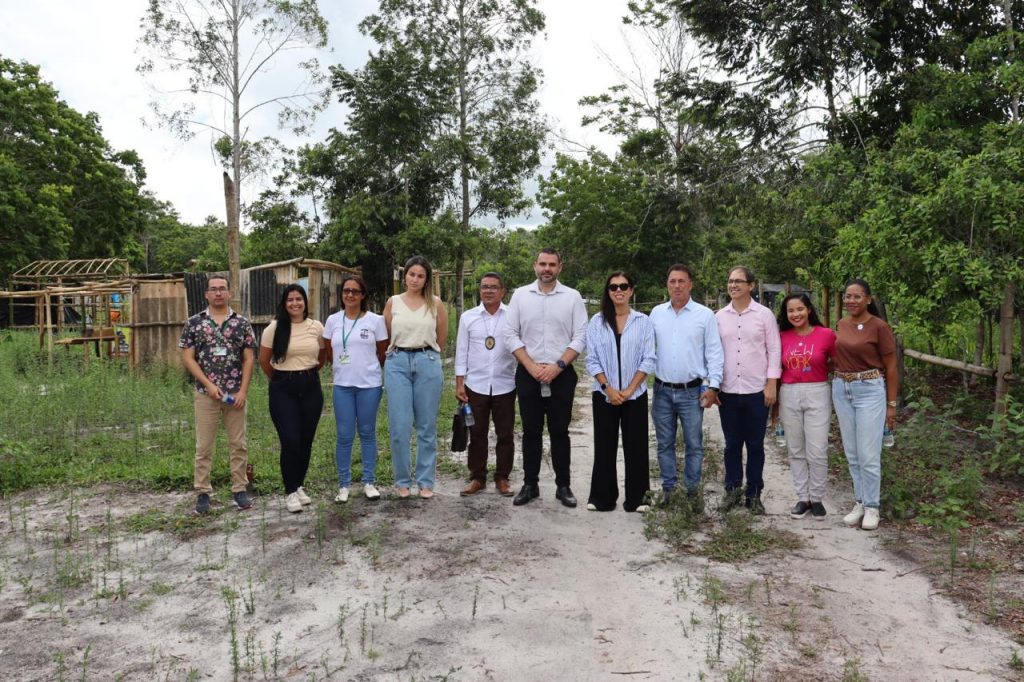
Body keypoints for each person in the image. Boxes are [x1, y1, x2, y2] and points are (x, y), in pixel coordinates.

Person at [504, 248, 588, 508]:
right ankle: (530, 484)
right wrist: (530, 366)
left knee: (560, 431)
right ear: (535, 266)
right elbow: (510, 334)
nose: (547, 269)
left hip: (561, 374)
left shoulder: (572, 297)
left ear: (560, 267)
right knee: (530, 431)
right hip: (528, 374)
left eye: (552, 264)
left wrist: (558, 366)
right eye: (542, 264)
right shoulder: (520, 296)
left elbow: (580, 336)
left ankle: (563, 486)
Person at [179, 276, 256, 514]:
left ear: (229, 293)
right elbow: (187, 358)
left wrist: (243, 390)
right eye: (214, 289)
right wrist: (208, 385)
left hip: (235, 394)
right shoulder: (195, 323)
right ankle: (203, 492)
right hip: (206, 394)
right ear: (206, 294)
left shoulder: (241, 323)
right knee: (204, 446)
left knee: (238, 444)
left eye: (222, 289)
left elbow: (249, 358)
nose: (218, 293)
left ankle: (239, 489)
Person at [649, 264, 724, 508]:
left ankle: (692, 492)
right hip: (661, 390)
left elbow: (714, 351)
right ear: (667, 284)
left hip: (692, 392)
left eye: (682, 281)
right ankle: (669, 490)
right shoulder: (656, 314)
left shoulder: (704, 315)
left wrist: (713, 386)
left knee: (694, 444)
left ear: (691, 284)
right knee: (664, 443)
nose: (677, 286)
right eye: (673, 281)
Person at [584, 271, 656, 512]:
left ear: (631, 290)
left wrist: (628, 390)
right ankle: (602, 497)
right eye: (613, 287)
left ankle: (638, 499)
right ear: (608, 291)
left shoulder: (643, 322)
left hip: (634, 395)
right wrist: (608, 388)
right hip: (604, 394)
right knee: (604, 445)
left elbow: (648, 359)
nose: (618, 290)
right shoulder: (597, 322)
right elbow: (592, 359)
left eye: (623, 286)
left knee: (636, 446)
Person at [713, 266, 781, 514]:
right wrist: (713, 385)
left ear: (751, 286)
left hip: (756, 391)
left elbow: (774, 350)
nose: (733, 285)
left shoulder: (764, 316)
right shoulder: (719, 317)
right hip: (728, 390)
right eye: (730, 281)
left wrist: (771, 383)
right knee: (731, 444)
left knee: (755, 445)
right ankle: (731, 492)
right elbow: (713, 353)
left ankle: (754, 495)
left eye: (739, 281)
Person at [832, 278, 899, 531]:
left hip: (870, 389)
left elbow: (891, 368)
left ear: (868, 299)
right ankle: (859, 502)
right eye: (848, 296)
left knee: (868, 454)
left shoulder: (879, 327)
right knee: (852, 452)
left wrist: (891, 404)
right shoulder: (841, 323)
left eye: (857, 296)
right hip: (841, 388)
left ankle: (872, 507)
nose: (851, 301)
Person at [383, 256, 448, 499]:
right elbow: (388, 333)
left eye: (421, 276)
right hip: (397, 362)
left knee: (426, 426)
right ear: (405, 275)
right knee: (399, 426)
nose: (415, 279)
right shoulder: (393, 303)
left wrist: (425, 355)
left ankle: (425, 481)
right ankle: (402, 481)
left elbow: (441, 338)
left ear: (426, 279)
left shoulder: (435, 304)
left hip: (427, 361)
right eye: (412, 274)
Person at [259, 284, 326, 513]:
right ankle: (289, 491)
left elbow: (323, 355)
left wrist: (306, 374)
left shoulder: (316, 327)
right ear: (284, 303)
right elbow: (264, 361)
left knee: (306, 440)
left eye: (299, 299)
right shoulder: (274, 328)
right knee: (290, 440)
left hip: (310, 387)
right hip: (282, 389)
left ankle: (299, 486)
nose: (295, 303)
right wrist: (281, 379)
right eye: (290, 300)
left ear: (305, 302)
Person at [323, 274, 388, 504]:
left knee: (368, 433)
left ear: (363, 296)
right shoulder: (332, 320)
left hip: (369, 385)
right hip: (342, 386)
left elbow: (382, 352)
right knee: (344, 435)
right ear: (342, 295)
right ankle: (344, 485)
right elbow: (328, 352)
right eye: (346, 291)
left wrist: (366, 369)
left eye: (355, 291)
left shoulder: (375, 321)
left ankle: (369, 481)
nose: (350, 295)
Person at [454, 273, 517, 497]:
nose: (488, 291)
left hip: (505, 384)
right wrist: (460, 382)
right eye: (484, 287)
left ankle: (502, 477)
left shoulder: (512, 316)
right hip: (476, 384)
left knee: (505, 434)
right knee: (477, 433)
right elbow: (461, 351)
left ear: (503, 291)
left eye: (493, 287)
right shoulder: (468, 317)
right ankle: (477, 477)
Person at [776, 293, 836, 520]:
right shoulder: (781, 337)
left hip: (817, 391)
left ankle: (817, 498)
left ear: (809, 309)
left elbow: (837, 362)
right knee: (795, 449)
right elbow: (776, 368)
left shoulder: (826, 335)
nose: (796, 314)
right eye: (791, 311)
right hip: (789, 392)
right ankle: (803, 497)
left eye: (800, 309)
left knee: (817, 449)